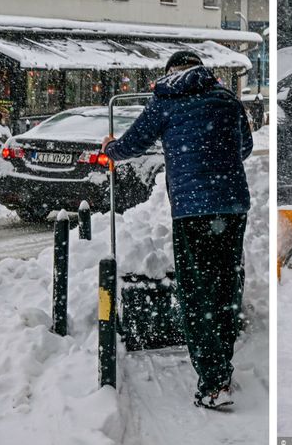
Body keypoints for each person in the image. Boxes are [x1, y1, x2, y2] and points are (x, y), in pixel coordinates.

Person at [101, 50, 253, 409]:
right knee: (225, 286)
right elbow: (244, 148)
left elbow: (135, 143)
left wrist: (112, 149)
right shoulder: (226, 98)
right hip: (232, 205)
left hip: (193, 211)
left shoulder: (165, 99)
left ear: (170, 72)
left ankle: (214, 383)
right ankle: (222, 371)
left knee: (197, 293)